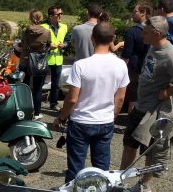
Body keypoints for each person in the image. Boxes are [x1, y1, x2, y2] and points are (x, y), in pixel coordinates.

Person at [119, 16, 173, 192]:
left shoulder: (170, 53)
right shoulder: (153, 46)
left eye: (145, 32)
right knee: (130, 143)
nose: (142, 35)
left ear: (157, 33)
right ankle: (120, 180)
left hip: (153, 110)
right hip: (142, 104)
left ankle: (143, 185)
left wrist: (167, 93)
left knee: (148, 148)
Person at [52, 22, 129, 182]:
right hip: (105, 120)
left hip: (81, 121)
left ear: (92, 38)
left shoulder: (81, 65)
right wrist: (112, 115)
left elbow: (72, 99)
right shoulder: (121, 65)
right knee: (101, 167)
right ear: (113, 39)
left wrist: (61, 117)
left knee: (75, 167)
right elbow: (120, 98)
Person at [120, 2, 153, 114]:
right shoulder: (154, 31)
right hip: (150, 69)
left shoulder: (133, 31)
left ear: (143, 13)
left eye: (135, 11)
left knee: (133, 97)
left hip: (134, 70)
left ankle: (131, 121)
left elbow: (126, 55)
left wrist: (121, 70)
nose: (132, 14)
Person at [19, 9, 51, 119]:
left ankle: (24, 111)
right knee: (38, 89)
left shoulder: (25, 31)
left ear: (30, 18)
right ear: (41, 18)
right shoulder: (47, 32)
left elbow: (22, 44)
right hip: (39, 62)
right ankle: (37, 113)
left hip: (25, 60)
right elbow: (48, 46)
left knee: (24, 87)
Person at [40, 6, 69, 111]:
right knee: (40, 83)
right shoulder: (43, 26)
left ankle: (53, 104)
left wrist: (64, 44)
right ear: (51, 16)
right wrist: (48, 46)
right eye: (58, 14)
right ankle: (36, 105)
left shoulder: (64, 27)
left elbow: (67, 40)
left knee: (56, 84)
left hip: (58, 59)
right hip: (45, 59)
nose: (61, 16)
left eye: (62, 13)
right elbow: (39, 43)